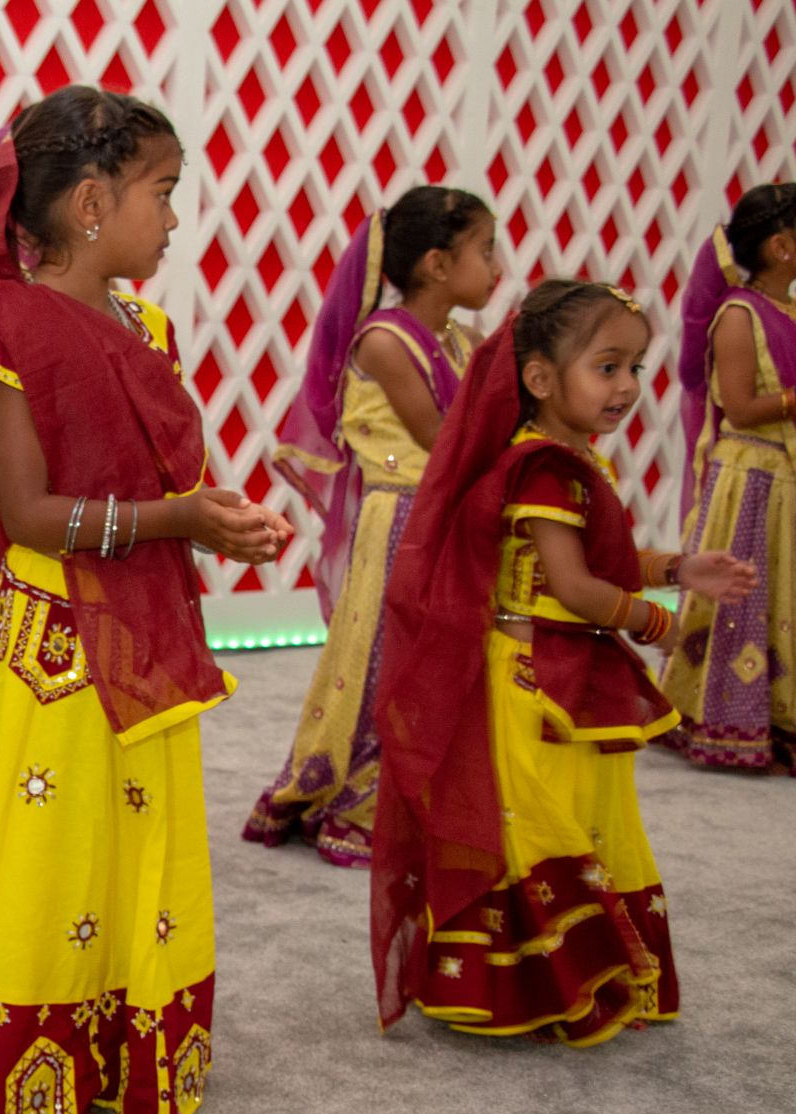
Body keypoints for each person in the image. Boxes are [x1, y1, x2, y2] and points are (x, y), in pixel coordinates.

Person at [0, 86, 288, 1114]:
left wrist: (211, 519)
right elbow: (31, 513)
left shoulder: (145, 325)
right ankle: (33, 1054)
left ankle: (119, 1031)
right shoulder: (18, 333)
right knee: (54, 837)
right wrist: (180, 518)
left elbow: (147, 475)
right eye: (160, 193)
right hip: (57, 643)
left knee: (133, 829)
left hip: (142, 619)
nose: (173, 219)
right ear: (91, 204)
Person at [371, 280, 756, 1045]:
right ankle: (537, 985)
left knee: (577, 818)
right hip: (531, 680)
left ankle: (566, 976)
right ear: (541, 378)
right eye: (606, 367)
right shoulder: (544, 467)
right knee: (536, 826)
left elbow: (598, 562)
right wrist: (657, 622)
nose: (627, 387)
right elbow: (578, 588)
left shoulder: (572, 458)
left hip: (564, 674)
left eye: (635, 367)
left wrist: (680, 569)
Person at [245, 187, 500, 865]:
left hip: (448, 513)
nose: (498, 266)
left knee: (444, 656)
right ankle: (364, 800)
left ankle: (430, 794)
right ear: (438, 264)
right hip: (404, 521)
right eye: (486, 250)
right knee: (391, 656)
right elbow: (442, 439)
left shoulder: (465, 340)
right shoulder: (387, 341)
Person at [659, 183, 796, 773]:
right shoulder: (740, 315)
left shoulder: (787, 311)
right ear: (782, 246)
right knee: (746, 594)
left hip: (784, 478)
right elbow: (739, 406)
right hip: (751, 480)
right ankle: (726, 718)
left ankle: (778, 720)